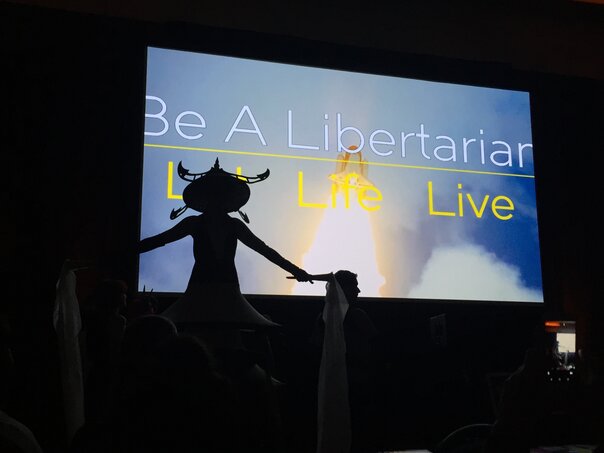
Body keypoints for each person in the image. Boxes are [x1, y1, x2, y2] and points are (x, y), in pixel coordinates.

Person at [308, 270, 379, 453]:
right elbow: (374, 348)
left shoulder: (322, 319)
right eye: (355, 287)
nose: (358, 291)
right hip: (358, 386)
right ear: (344, 289)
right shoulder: (358, 316)